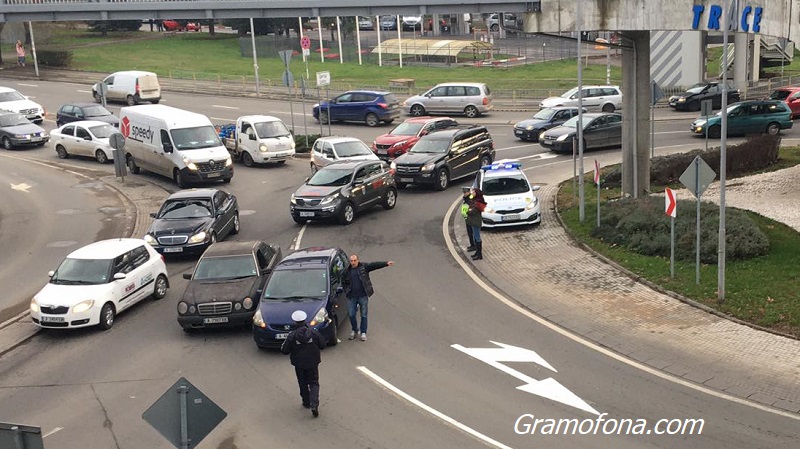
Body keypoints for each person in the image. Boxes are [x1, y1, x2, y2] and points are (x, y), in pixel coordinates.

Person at [280, 310, 326, 417]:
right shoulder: (313, 332)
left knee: (302, 382)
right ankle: (314, 404)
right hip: (312, 362)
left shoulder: (292, 335)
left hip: (299, 364)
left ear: (295, 322)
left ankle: (306, 402)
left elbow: (284, 350)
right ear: (305, 320)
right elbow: (323, 344)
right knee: (314, 382)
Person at [345, 254, 394, 341]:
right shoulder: (347, 271)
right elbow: (343, 281)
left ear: (358, 260)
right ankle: (354, 330)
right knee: (351, 314)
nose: (353, 263)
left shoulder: (364, 267)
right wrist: (346, 291)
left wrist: (386, 263)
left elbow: (374, 265)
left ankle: (363, 332)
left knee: (363, 314)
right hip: (352, 297)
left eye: (354, 260)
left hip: (363, 296)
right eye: (351, 261)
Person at [466, 188, 486, 260]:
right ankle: (477, 252)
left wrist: (468, 210)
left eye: (474, 192)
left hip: (476, 222)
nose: (472, 193)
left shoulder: (478, 203)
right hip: (473, 221)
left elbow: (471, 211)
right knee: (475, 237)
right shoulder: (474, 201)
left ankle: (479, 254)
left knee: (477, 237)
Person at [461, 187, 476, 251]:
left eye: (465, 192)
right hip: (467, 218)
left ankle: (474, 246)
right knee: (469, 232)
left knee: (471, 232)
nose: (464, 193)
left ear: (469, 192)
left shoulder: (470, 199)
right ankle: (472, 245)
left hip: (470, 218)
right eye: (464, 192)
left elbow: (471, 209)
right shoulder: (466, 198)